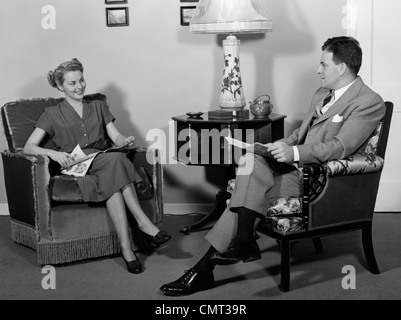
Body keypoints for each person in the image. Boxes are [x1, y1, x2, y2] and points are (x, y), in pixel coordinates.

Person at [160, 36, 385, 296]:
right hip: (292, 170)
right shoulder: (322, 94)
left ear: (342, 67)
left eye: (323, 64)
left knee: (244, 194)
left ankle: (205, 268)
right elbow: (300, 134)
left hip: (317, 180)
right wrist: (276, 147)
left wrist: (295, 152)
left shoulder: (368, 101)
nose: (318, 70)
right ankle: (240, 243)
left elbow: (340, 147)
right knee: (251, 160)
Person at [23, 58, 171, 274]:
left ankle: (126, 248)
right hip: (77, 165)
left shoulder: (98, 106)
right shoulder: (51, 113)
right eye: (72, 83)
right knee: (117, 161)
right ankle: (144, 223)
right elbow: (28, 147)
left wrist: (124, 141)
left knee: (115, 169)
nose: (79, 86)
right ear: (60, 87)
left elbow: (115, 136)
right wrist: (53, 153)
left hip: (103, 159)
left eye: (81, 80)